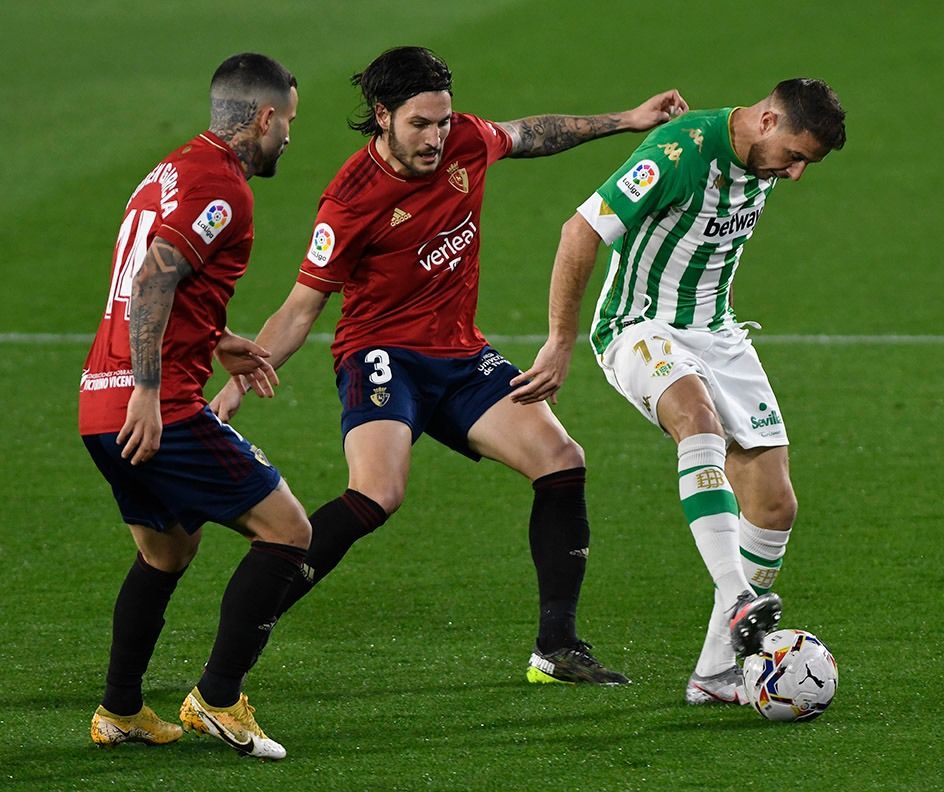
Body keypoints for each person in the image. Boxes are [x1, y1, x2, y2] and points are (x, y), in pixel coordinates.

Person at [210, 46, 687, 685]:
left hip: (459, 354)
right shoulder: (350, 201)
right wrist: (242, 381)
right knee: (378, 493)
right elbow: (300, 310)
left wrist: (625, 119)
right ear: (382, 116)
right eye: (420, 125)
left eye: (443, 121)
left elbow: (530, 134)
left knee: (562, 461)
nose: (438, 138)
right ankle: (245, 628)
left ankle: (557, 646)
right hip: (381, 355)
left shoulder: (463, 141)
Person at [511, 78, 847, 704]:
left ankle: (716, 675)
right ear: (769, 120)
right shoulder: (679, 153)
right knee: (699, 421)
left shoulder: (763, 162)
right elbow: (579, 231)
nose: (796, 175)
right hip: (638, 326)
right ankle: (739, 598)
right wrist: (560, 339)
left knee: (775, 505)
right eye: (796, 155)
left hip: (719, 333)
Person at [80, 53, 310, 759]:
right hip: (157, 406)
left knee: (166, 550)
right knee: (289, 533)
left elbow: (155, 282)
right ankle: (218, 698)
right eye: (290, 124)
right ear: (264, 117)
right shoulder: (223, 188)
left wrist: (219, 339)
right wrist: (150, 392)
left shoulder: (171, 169)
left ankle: (119, 709)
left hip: (97, 401)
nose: (290, 139)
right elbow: (152, 280)